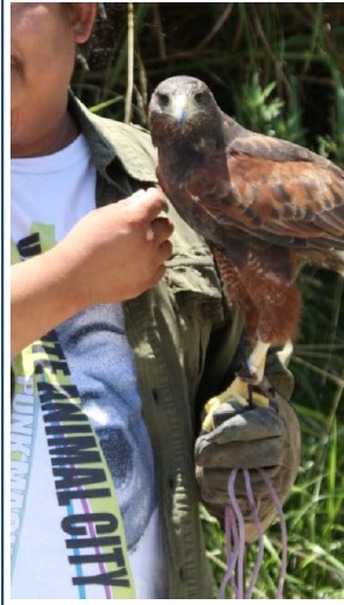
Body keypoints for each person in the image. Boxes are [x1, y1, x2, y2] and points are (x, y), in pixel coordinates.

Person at [10, 3, 301, 599]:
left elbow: (252, 385)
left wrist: (261, 448)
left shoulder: (176, 179)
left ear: (81, 16)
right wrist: (72, 279)